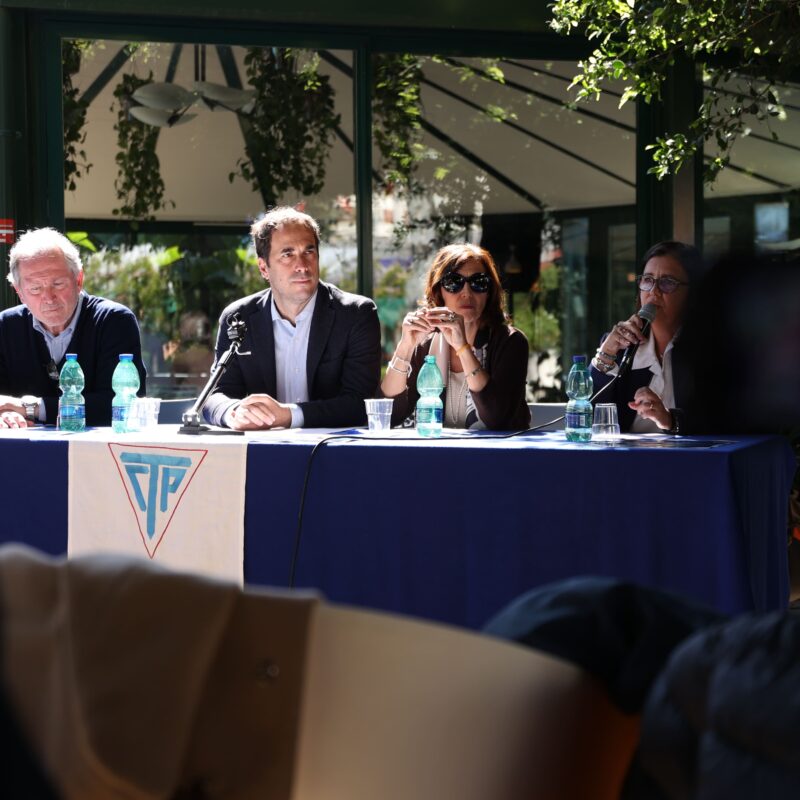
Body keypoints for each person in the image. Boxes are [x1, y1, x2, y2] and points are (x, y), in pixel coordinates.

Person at [203, 207, 381, 429]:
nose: (302, 266)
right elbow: (215, 396)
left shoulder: (355, 315)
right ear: (263, 268)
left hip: (334, 445)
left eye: (309, 252)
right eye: (288, 254)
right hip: (261, 445)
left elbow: (360, 403)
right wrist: (234, 413)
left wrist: (289, 415)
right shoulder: (239, 318)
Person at [0, 227, 146, 428]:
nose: (48, 297)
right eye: (35, 288)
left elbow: (121, 405)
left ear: (78, 280)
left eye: (58, 284)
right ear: (19, 292)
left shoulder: (114, 321)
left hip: (97, 447)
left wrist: (32, 408)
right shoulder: (5, 327)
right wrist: (6, 415)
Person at [381, 243, 530, 430]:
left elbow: (497, 418)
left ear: (489, 292)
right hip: (437, 448)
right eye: (454, 282)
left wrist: (463, 347)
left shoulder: (510, 342)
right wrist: (405, 346)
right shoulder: (426, 345)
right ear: (439, 292)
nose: (466, 293)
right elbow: (389, 414)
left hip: (496, 449)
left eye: (478, 282)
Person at [590, 241, 704, 434]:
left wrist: (671, 420)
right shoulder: (621, 347)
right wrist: (605, 355)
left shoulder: (711, 348)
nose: (654, 291)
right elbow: (586, 418)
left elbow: (726, 419)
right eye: (647, 280)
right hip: (629, 454)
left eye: (667, 282)